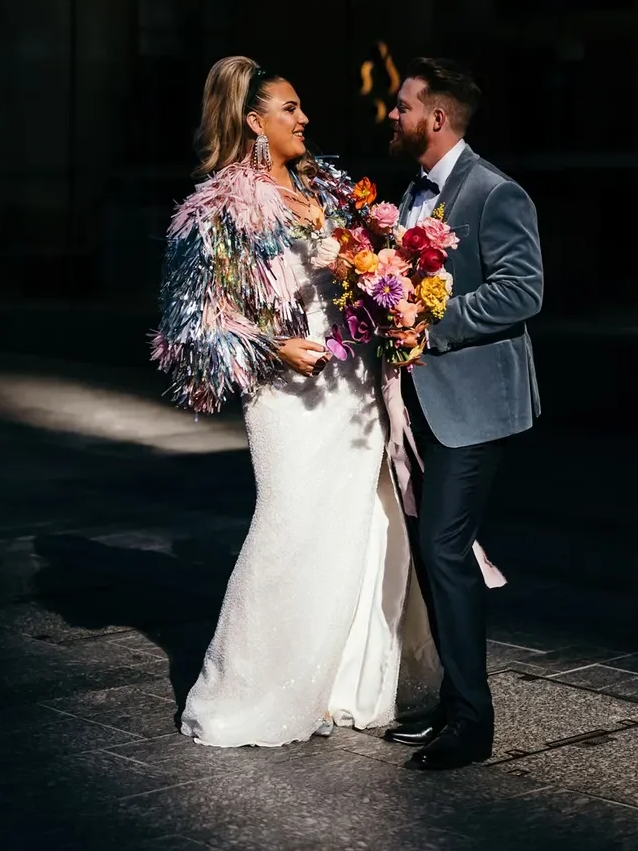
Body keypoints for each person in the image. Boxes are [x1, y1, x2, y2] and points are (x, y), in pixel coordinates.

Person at [152, 55, 437, 748]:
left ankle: (342, 686)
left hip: (355, 386)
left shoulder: (328, 188)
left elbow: (365, 265)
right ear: (254, 121)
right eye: (290, 109)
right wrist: (271, 348)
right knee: (288, 525)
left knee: (362, 526)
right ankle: (249, 692)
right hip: (287, 393)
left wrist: (389, 295)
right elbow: (190, 326)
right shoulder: (217, 208)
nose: (304, 119)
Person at [384, 57, 543, 771]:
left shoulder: (494, 192)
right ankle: (449, 703)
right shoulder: (410, 195)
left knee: (447, 549)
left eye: (401, 104)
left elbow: (522, 291)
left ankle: (471, 723)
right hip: (418, 400)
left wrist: (429, 322)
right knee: (430, 551)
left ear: (436, 117)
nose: (391, 114)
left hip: (475, 402)